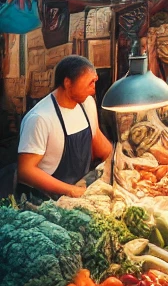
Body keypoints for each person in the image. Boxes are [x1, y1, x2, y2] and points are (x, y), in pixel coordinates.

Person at [16, 55, 113, 201]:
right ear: (68, 83)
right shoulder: (40, 118)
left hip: (79, 189)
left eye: (95, 81)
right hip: (46, 200)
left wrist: (116, 160)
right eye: (90, 82)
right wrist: (70, 191)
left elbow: (96, 136)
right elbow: (25, 170)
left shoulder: (87, 104)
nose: (94, 87)